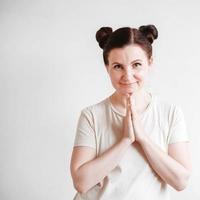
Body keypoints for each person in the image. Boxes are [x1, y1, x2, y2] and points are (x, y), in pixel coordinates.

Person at [70, 24, 192, 200]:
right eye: (118, 66)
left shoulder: (170, 113)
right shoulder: (91, 116)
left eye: (136, 65)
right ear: (107, 68)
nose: (128, 76)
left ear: (150, 63)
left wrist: (142, 137)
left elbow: (181, 181)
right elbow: (81, 183)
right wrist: (125, 140)